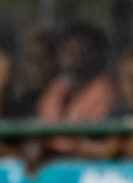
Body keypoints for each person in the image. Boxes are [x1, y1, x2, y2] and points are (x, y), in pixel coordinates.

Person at [30, 21, 118, 164]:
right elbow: (43, 129)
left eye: (79, 49)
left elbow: (89, 137)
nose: (72, 55)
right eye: (68, 49)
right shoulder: (58, 87)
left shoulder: (104, 88)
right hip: (51, 165)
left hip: (86, 165)